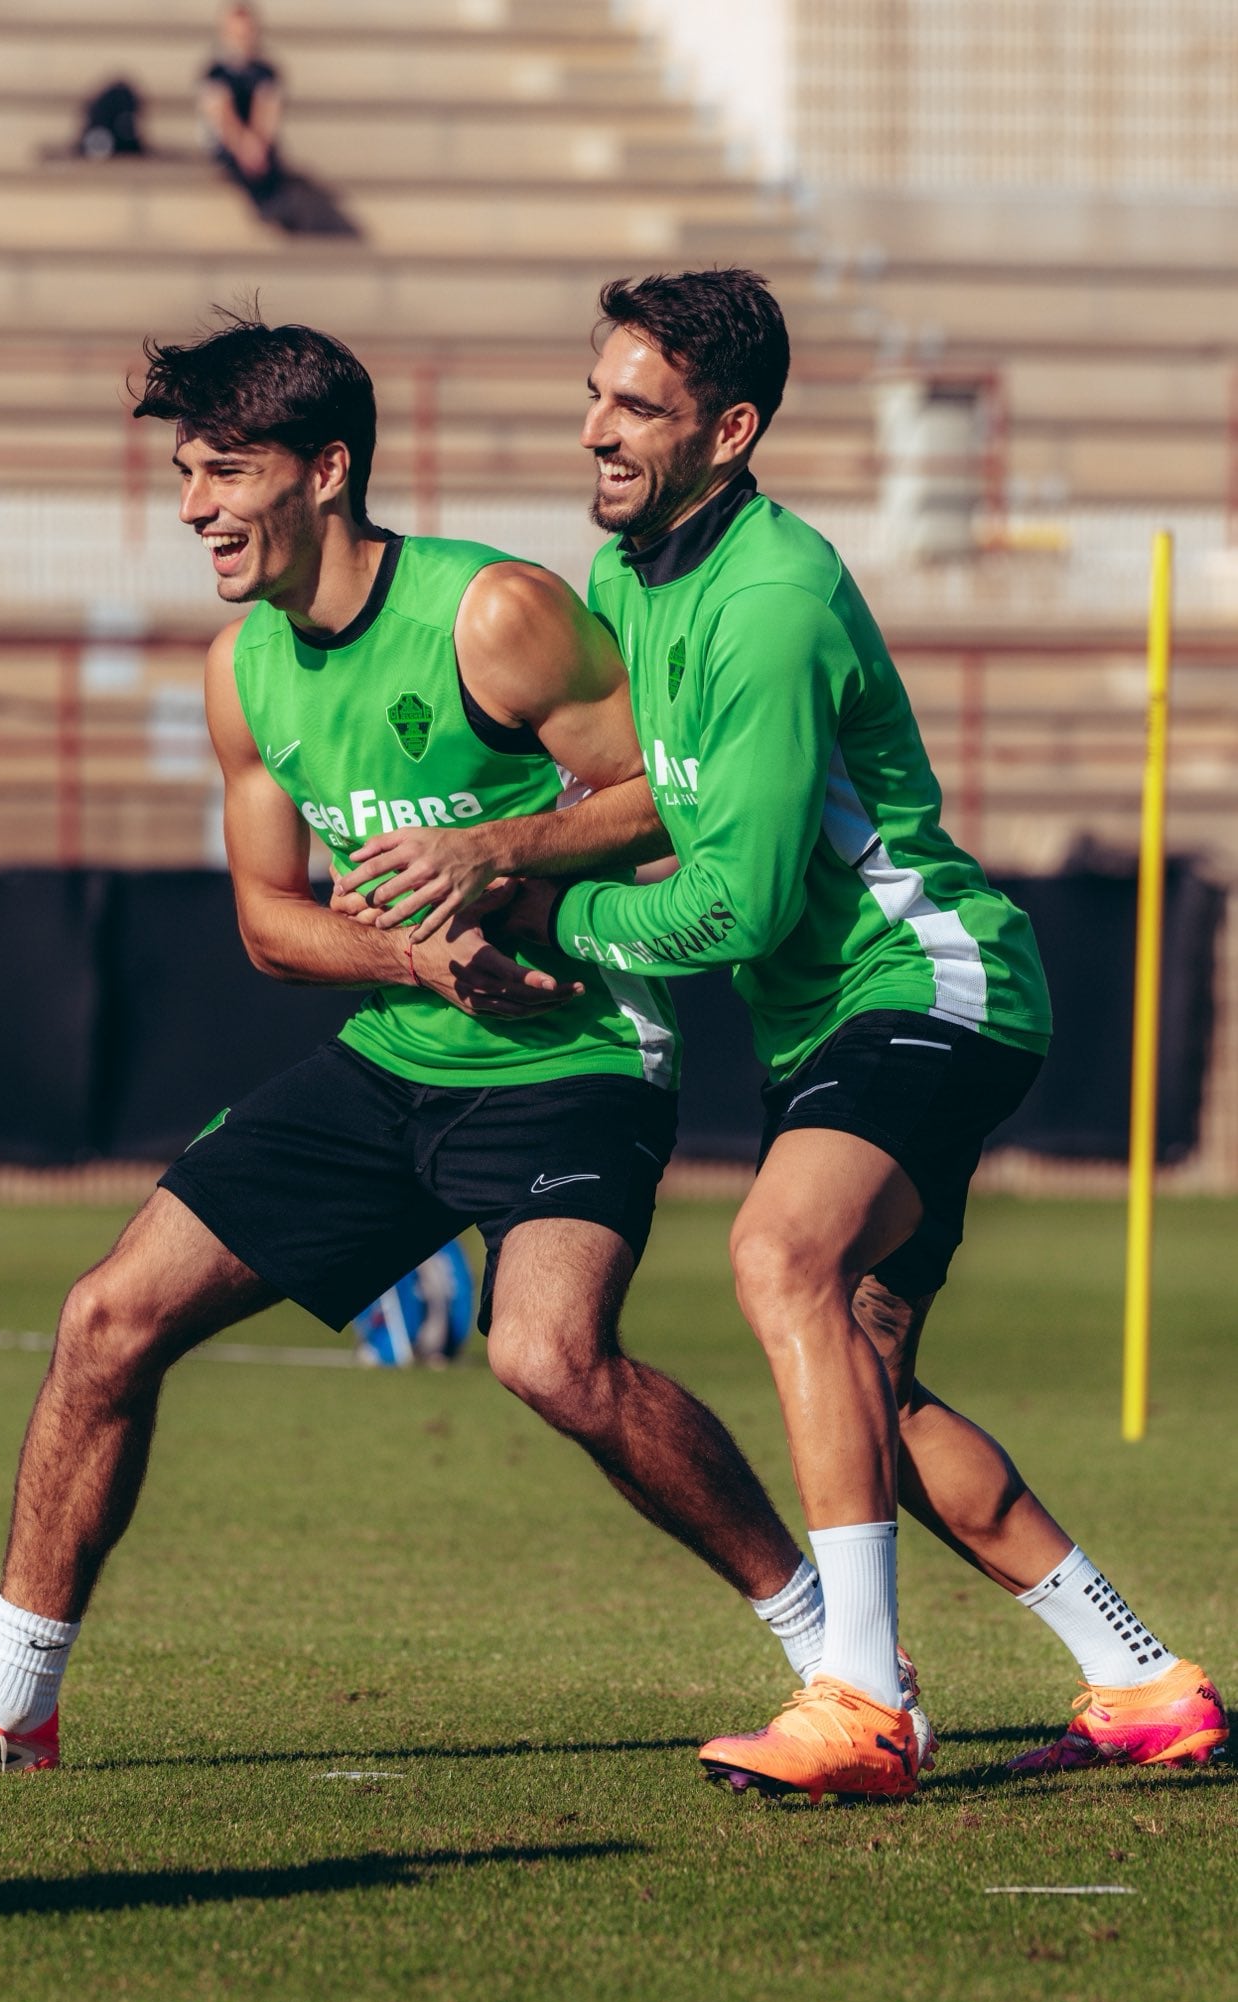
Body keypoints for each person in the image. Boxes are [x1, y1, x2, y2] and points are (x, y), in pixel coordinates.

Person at [0, 312, 885, 1779]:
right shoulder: (242, 674)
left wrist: (496, 853)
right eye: (183, 473)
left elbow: (666, 803)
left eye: (224, 470)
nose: (193, 508)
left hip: (574, 1055)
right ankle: (8, 1704)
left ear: (325, 469)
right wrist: (412, 954)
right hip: (395, 1056)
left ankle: (834, 1656)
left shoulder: (495, 614)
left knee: (547, 1358)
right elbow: (273, 929)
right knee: (105, 1319)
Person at [335, 269, 1227, 1803]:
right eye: (596, 394)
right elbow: (625, 820)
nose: (598, 431)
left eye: (640, 408)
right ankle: (1141, 1677)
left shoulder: (769, 599)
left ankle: (862, 1702)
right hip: (826, 1025)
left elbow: (733, 907)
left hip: (930, 981)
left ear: (730, 432)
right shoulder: (623, 583)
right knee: (868, 1384)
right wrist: (503, 861)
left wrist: (541, 913)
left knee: (778, 1259)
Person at [200, 3, 285, 212]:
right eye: (237, 34)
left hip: (258, 145)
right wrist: (242, 144)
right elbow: (221, 114)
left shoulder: (265, 72)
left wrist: (256, 143)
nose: (242, 40)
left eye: (246, 34)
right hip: (228, 144)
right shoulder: (215, 72)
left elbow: (268, 109)